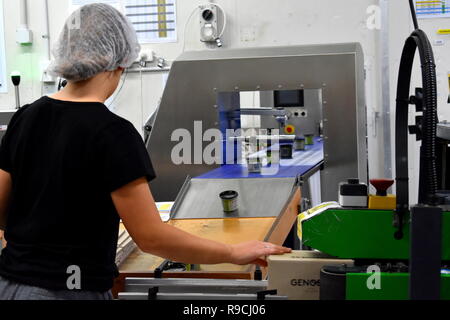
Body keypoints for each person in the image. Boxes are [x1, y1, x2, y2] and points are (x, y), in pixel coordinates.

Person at [0, 4, 290, 300]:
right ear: (121, 61)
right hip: (69, 292)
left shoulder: (26, 117)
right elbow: (151, 237)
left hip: (10, 285)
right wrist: (233, 251)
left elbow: (1, 212)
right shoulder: (112, 132)